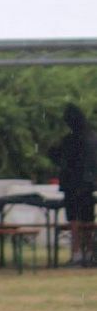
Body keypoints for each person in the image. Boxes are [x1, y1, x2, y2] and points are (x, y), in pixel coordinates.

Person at [49, 104, 97, 267]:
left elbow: (55, 155)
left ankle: (76, 253)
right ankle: (89, 252)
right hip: (88, 185)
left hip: (72, 184)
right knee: (88, 218)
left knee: (74, 219)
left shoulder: (69, 140)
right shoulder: (93, 137)